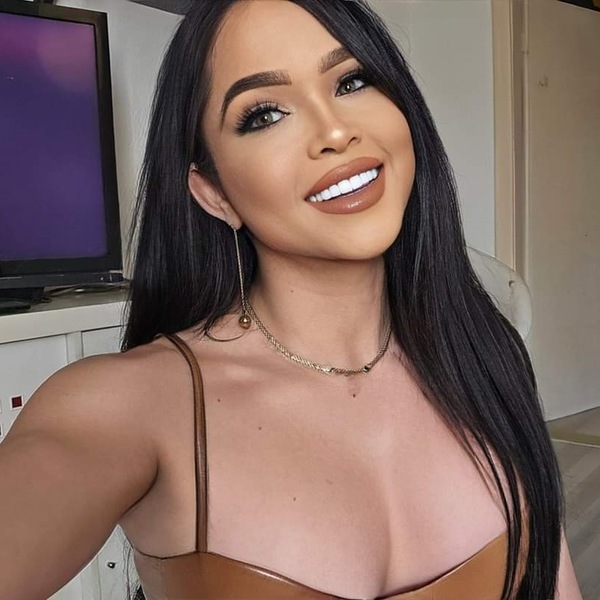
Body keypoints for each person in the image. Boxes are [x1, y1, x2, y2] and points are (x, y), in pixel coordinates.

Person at [0, 1, 583, 599]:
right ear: (213, 191)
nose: (334, 132)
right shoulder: (134, 405)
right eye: (265, 114)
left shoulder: (486, 351)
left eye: (351, 82)